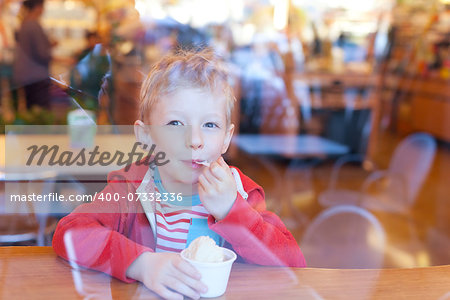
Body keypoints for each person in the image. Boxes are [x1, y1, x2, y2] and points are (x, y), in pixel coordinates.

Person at [52, 49, 306, 300]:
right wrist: (140, 263)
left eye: (210, 125)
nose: (194, 140)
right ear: (146, 136)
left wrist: (233, 212)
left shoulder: (240, 193)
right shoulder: (131, 188)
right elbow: (71, 232)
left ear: (226, 138)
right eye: (175, 124)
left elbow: (293, 264)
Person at [13, 0, 53, 109]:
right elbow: (42, 53)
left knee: (31, 110)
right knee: (41, 112)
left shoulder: (25, 23)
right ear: (38, 7)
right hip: (36, 75)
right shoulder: (33, 24)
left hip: (27, 74)